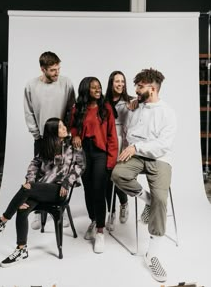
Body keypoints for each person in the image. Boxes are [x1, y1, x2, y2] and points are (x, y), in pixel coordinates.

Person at [0, 118, 85, 267]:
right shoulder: (46, 147)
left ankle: (2, 221)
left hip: (58, 191)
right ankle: (21, 249)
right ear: (53, 132)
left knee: (27, 188)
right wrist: (30, 179)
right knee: (22, 210)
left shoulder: (73, 145)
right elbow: (34, 164)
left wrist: (68, 182)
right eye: (60, 126)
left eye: (63, 125)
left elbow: (80, 166)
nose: (64, 128)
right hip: (40, 189)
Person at [112, 68, 177, 283]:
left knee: (161, 198)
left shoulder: (167, 112)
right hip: (137, 155)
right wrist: (132, 107)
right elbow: (129, 131)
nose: (136, 90)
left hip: (159, 158)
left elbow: (163, 145)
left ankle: (153, 254)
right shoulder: (135, 106)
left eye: (140, 86)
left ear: (152, 87)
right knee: (118, 174)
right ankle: (146, 200)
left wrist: (137, 147)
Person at [24, 51, 75, 229]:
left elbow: (71, 110)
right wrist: (36, 134)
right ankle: (37, 212)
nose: (57, 73)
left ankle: (60, 210)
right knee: (40, 173)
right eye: (53, 70)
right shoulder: (31, 85)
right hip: (42, 138)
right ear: (43, 69)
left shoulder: (66, 83)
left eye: (58, 69)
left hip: (62, 137)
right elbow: (28, 111)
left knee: (62, 173)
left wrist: (68, 133)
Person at [70, 77, 118, 253]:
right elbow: (73, 126)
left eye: (99, 87)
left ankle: (100, 231)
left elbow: (113, 135)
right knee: (88, 189)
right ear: (85, 90)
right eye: (93, 88)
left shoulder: (106, 108)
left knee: (98, 189)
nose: (98, 90)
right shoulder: (78, 109)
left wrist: (111, 160)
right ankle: (93, 219)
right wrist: (75, 135)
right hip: (83, 152)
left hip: (100, 153)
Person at [104, 71, 134, 231]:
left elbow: (133, 123)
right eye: (117, 81)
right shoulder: (104, 101)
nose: (120, 84)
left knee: (118, 176)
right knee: (108, 178)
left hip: (122, 142)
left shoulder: (130, 101)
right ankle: (111, 212)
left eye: (122, 81)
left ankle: (123, 203)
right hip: (106, 141)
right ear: (111, 83)